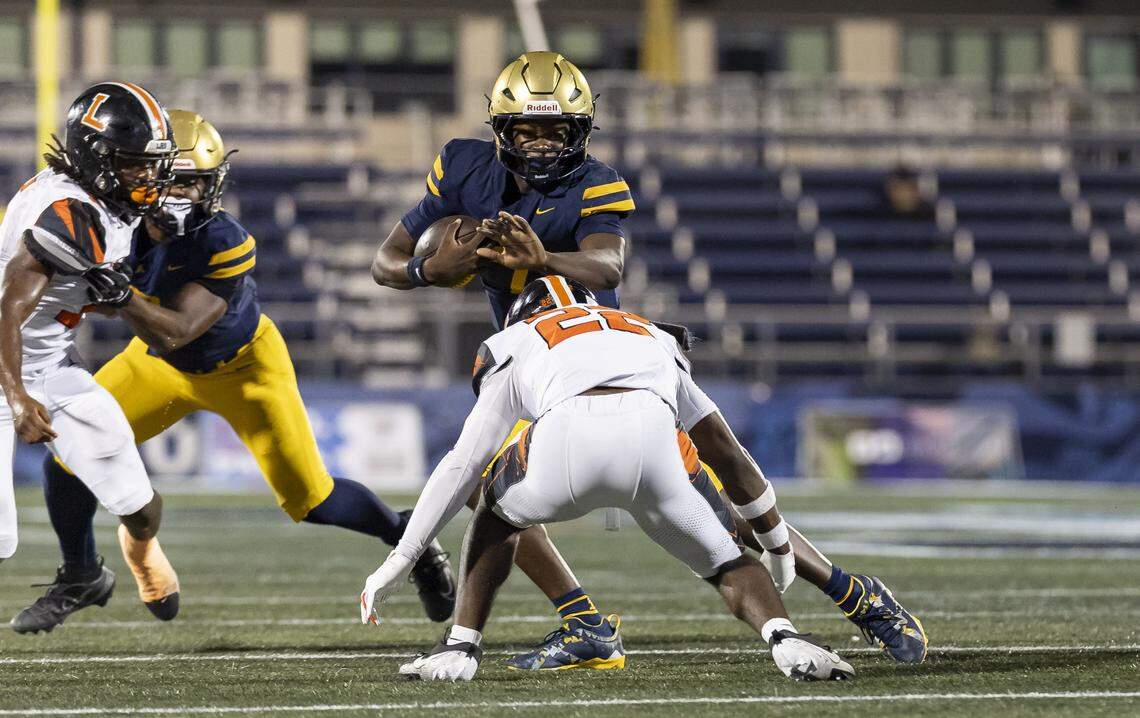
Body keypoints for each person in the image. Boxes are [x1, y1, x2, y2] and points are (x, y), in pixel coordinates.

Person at [371, 52, 928, 667]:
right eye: (526, 129)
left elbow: (609, 265)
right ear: (499, 130)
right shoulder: (462, 166)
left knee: (716, 494)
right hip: (526, 352)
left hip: (596, 345)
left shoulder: (596, 181)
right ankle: (583, 622)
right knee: (486, 489)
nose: (539, 144)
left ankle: (852, 592)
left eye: (556, 131)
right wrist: (427, 269)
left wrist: (545, 259)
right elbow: (387, 262)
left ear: (580, 131)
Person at [11, 109, 455, 635]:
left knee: (313, 499)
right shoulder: (114, 217)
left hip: (242, 367)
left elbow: (177, 329)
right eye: (169, 180)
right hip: (156, 364)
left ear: (213, 185)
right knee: (67, 457)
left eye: (192, 183)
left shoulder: (226, 240)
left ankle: (410, 539)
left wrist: (119, 292)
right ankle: (82, 572)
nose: (177, 196)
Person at [360, 276, 855, 682]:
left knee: (494, 507)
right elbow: (728, 453)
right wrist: (777, 545)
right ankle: (785, 638)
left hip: (567, 438)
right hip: (652, 441)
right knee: (725, 560)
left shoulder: (513, 340)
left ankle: (461, 646)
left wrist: (402, 556)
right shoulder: (649, 332)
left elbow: (463, 462)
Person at [0, 82, 176, 609]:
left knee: (137, 502)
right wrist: (16, 398)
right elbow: (6, 310)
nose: (147, 176)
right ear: (95, 158)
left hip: (49, 364)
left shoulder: (99, 200)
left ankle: (128, 562)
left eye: (152, 164)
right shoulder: (70, 214)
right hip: (7, 367)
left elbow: (64, 295)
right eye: (132, 164)